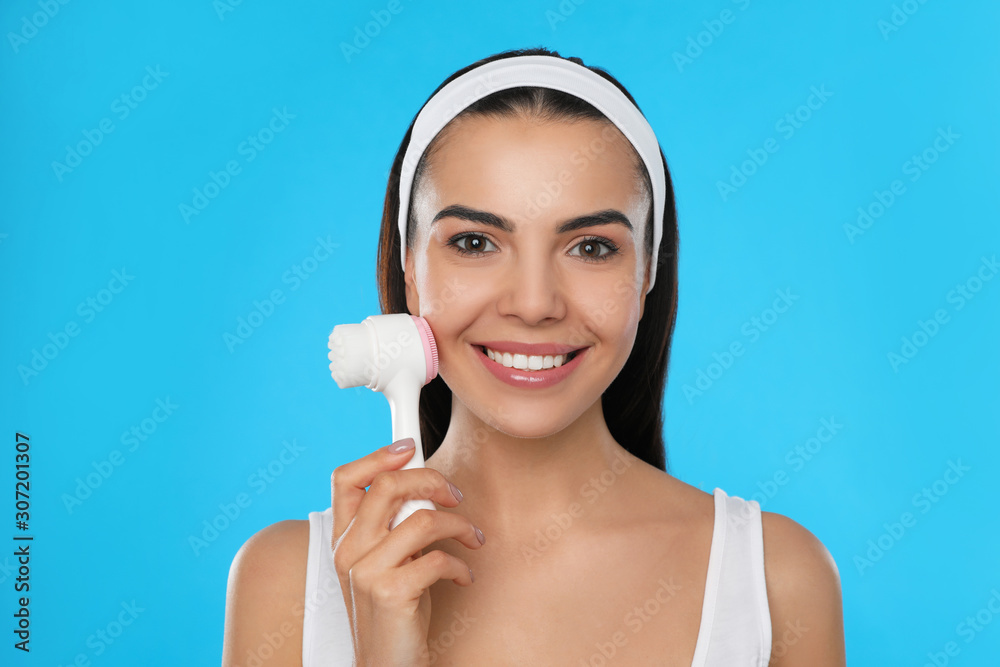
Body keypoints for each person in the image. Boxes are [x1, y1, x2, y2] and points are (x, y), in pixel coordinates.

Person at [221, 47, 846, 666]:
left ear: (648, 269)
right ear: (410, 267)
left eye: (592, 248)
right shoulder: (284, 585)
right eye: (474, 241)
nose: (534, 303)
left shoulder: (775, 579)